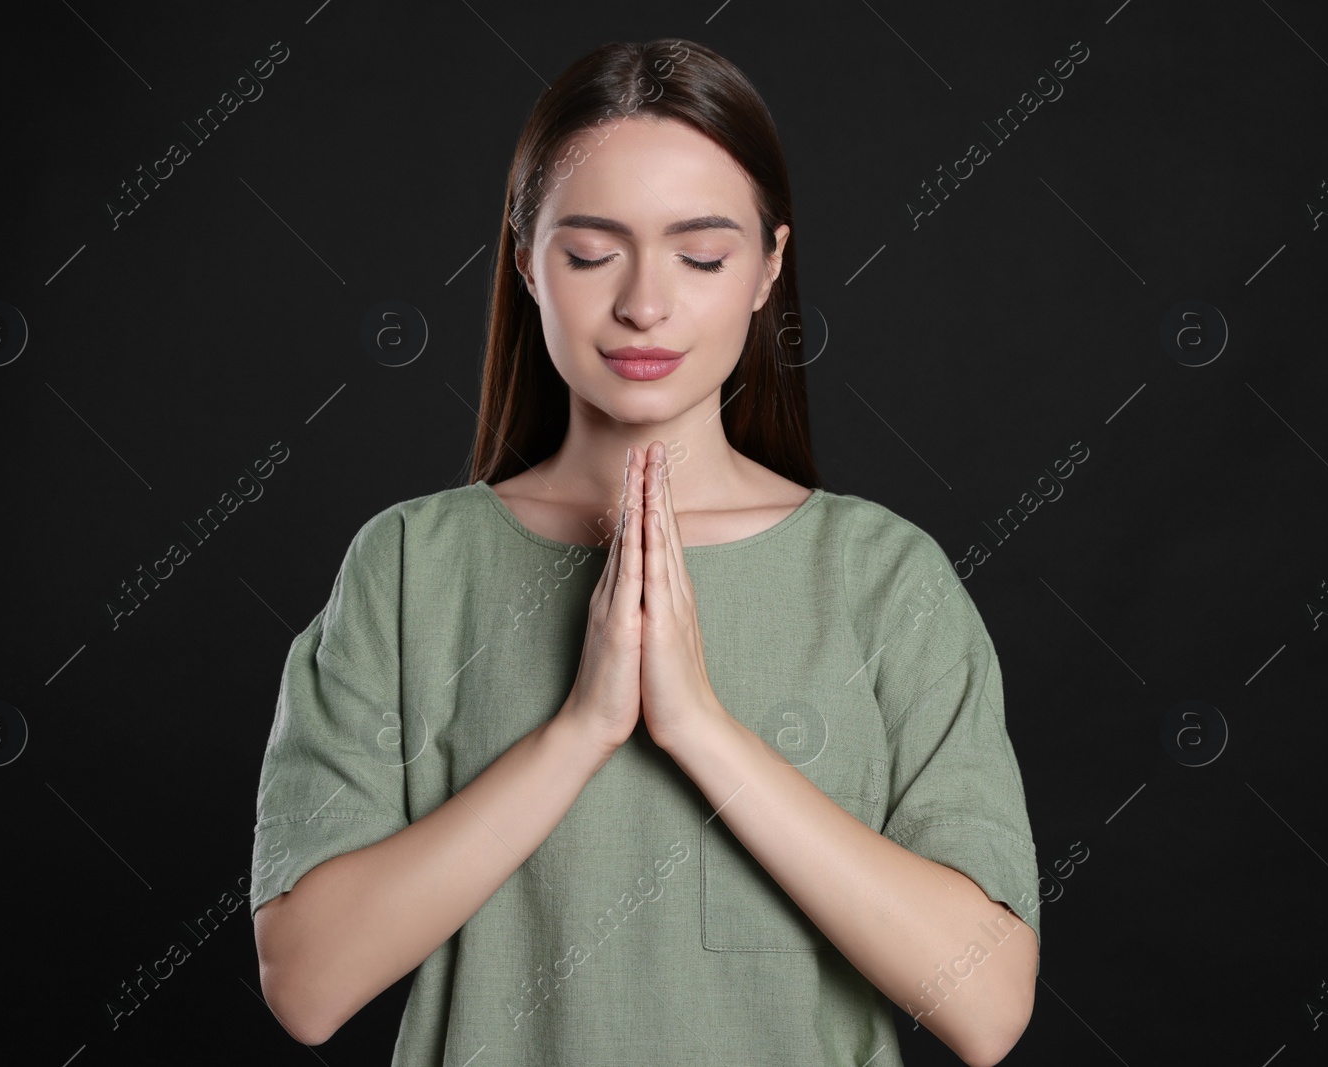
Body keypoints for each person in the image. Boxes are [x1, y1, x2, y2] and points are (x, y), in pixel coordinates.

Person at [249, 37, 1040, 1067]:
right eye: (589, 253)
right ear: (526, 260)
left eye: (701, 255)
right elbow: (306, 984)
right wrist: (579, 727)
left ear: (767, 268)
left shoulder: (884, 577)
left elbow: (985, 1007)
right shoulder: (408, 566)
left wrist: (699, 727)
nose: (644, 304)